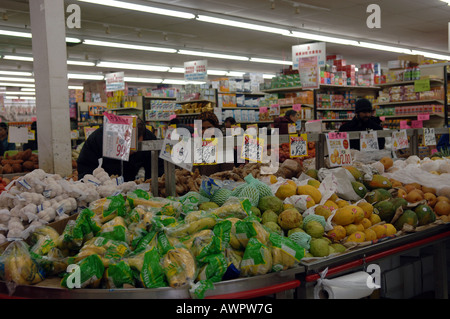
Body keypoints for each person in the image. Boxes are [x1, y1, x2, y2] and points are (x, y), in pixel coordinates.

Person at [77, 117, 164, 181]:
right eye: (127, 147)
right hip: (105, 185)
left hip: (132, 183)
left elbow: (157, 168)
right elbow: (85, 167)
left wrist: (151, 187)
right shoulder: (99, 138)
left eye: (134, 148)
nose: (129, 152)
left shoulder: (149, 139)